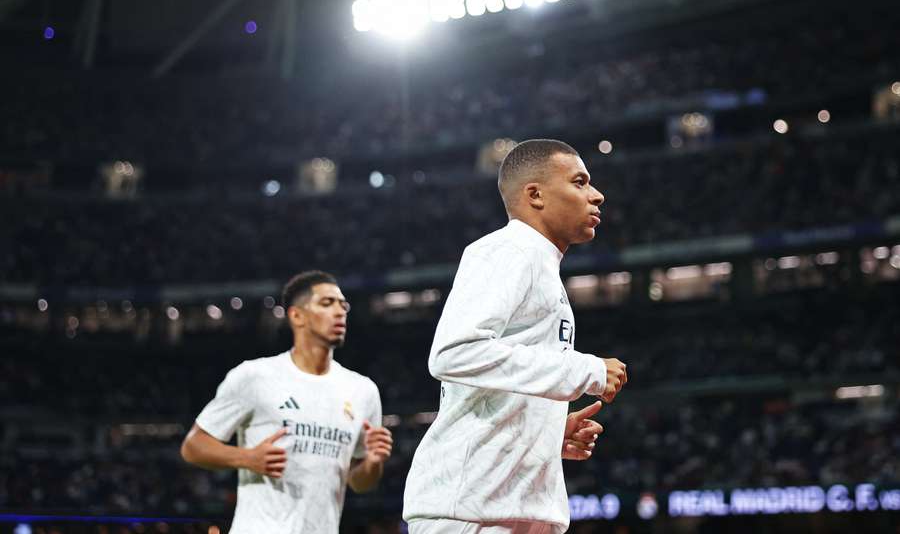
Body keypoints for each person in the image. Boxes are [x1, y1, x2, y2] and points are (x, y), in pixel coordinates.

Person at [403, 139, 628, 534]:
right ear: (535, 194)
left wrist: (544, 433)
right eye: (579, 182)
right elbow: (454, 353)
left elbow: (502, 374)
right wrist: (584, 370)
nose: (597, 195)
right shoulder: (508, 251)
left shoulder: (539, 264)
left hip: (509, 507)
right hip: (471, 512)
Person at [180, 270, 392, 533]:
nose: (340, 312)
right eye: (327, 303)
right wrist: (246, 457)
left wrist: (372, 462)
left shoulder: (362, 390)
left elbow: (360, 482)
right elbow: (193, 445)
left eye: (343, 304)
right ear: (297, 316)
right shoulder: (255, 376)